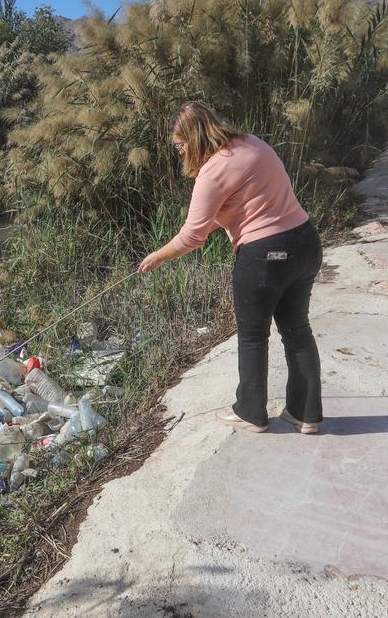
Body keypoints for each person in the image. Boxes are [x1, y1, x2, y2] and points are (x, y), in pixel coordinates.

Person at [138, 101, 323, 434]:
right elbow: (245, 204)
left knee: (253, 336)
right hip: (306, 243)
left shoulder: (212, 172)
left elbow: (192, 237)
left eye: (180, 146)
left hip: (264, 256)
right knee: (297, 331)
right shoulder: (254, 144)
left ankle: (251, 412)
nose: (179, 153)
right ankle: (305, 414)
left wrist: (158, 256)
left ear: (193, 139)